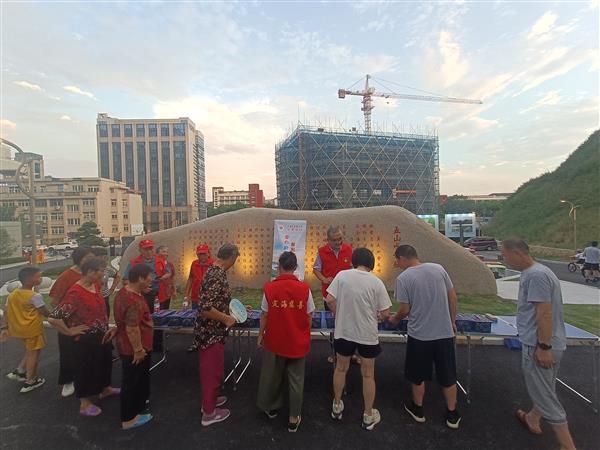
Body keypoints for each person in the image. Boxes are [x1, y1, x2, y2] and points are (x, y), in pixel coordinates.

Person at [501, 238, 576, 450]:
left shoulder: (536, 276)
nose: (504, 259)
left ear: (517, 253)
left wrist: (543, 347)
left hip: (540, 345)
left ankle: (567, 445)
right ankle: (532, 417)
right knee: (545, 387)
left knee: (545, 396)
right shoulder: (538, 272)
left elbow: (544, 312)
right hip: (548, 342)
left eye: (505, 255)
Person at [388, 244, 461, 430]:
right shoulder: (438, 269)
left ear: (402, 258)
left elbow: (404, 309)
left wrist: (394, 319)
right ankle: (452, 413)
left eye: (397, 260)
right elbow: (452, 297)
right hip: (444, 333)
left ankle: (418, 409)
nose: (396, 264)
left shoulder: (404, 278)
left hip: (419, 335)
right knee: (448, 375)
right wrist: (452, 321)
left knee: (417, 375)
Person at [325, 247, 391, 431]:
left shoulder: (342, 276)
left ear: (353, 261)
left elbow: (329, 299)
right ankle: (368, 415)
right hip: (367, 334)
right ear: (371, 263)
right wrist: (379, 318)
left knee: (340, 368)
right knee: (368, 374)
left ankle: (337, 405)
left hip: (344, 332)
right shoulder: (376, 282)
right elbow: (386, 312)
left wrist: (339, 313)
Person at [48, 257, 120, 417]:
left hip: (101, 334)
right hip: (85, 340)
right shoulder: (75, 293)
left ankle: (105, 389)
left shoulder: (95, 285)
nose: (104, 274)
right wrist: (69, 331)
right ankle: (85, 403)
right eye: (101, 271)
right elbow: (54, 318)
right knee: (86, 369)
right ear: (90, 272)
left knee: (105, 363)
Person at [256, 251, 315, 433]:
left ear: (279, 267)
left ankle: (272, 408)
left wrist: (260, 335)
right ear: (295, 267)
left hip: (275, 341)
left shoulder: (270, 288)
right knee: (296, 380)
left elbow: (264, 315)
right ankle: (293, 418)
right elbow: (309, 315)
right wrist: (303, 332)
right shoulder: (304, 289)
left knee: (274, 376)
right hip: (297, 341)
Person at [194, 243, 240, 426]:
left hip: (214, 331)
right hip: (210, 332)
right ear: (231, 258)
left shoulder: (215, 270)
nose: (234, 263)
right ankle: (209, 413)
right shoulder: (216, 274)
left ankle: (210, 400)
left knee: (214, 369)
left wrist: (235, 308)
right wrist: (227, 319)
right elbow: (205, 307)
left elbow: (217, 300)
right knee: (211, 372)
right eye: (235, 259)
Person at [49, 246, 94, 398]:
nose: (91, 261)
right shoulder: (66, 276)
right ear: (79, 259)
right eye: (87, 258)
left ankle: (85, 375)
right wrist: (65, 322)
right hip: (69, 322)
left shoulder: (90, 274)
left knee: (85, 351)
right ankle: (68, 380)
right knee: (68, 352)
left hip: (86, 321)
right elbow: (55, 301)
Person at [114, 264, 155, 430]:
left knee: (138, 379)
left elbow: (122, 320)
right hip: (134, 349)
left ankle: (139, 407)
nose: (151, 281)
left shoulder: (124, 292)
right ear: (139, 278)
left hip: (129, 345)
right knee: (132, 381)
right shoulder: (133, 300)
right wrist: (138, 350)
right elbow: (132, 327)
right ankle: (128, 418)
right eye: (148, 278)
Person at [1, 266, 50, 393]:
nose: (40, 279)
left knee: (30, 350)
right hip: (33, 329)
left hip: (20, 330)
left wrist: (4, 327)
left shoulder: (13, 294)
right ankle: (31, 380)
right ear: (29, 280)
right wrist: (54, 316)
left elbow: (6, 311)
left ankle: (20, 371)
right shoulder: (35, 296)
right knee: (34, 353)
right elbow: (43, 311)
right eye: (38, 277)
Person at [313, 226, 354, 363]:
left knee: (349, 324)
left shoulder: (348, 249)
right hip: (329, 295)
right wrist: (324, 279)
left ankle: (350, 354)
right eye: (335, 240)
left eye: (340, 239)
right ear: (328, 240)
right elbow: (316, 269)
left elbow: (353, 267)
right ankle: (335, 354)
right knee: (334, 325)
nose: (338, 242)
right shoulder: (321, 252)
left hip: (347, 294)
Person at [123, 239, 166, 351]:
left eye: (150, 249)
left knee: (159, 319)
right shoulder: (133, 263)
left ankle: (158, 344)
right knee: (143, 319)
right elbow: (126, 280)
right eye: (146, 249)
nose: (149, 252)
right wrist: (141, 289)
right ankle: (143, 344)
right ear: (140, 250)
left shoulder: (160, 260)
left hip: (159, 296)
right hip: (142, 296)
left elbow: (167, 274)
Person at [184, 244, 214, 352]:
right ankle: (196, 343)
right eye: (199, 254)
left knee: (209, 321)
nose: (201, 256)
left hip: (209, 299)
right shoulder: (194, 263)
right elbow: (190, 279)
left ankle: (210, 343)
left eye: (204, 254)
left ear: (208, 254)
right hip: (195, 297)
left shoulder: (213, 264)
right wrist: (186, 295)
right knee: (197, 320)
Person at [93, 247, 121, 320]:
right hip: (93, 297)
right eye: (101, 256)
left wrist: (112, 289)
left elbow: (117, 276)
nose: (103, 259)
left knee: (105, 318)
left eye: (105, 257)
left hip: (104, 297)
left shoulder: (107, 269)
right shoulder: (90, 270)